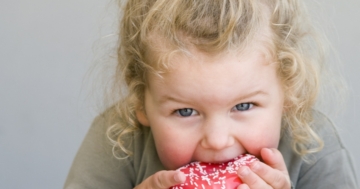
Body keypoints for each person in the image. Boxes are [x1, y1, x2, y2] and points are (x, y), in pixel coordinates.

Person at [64, 0, 358, 188]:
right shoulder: (119, 139)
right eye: (186, 112)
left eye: (243, 106)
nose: (217, 141)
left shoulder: (312, 145)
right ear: (141, 102)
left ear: (288, 93)